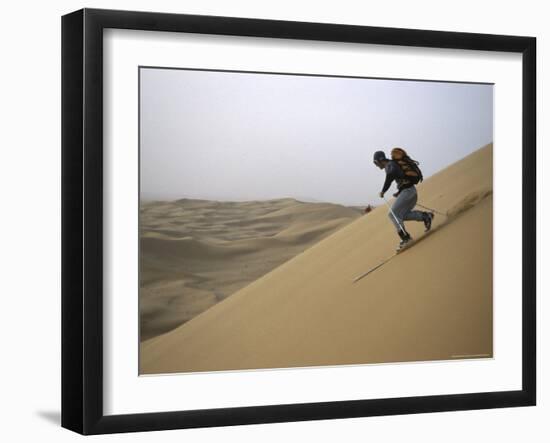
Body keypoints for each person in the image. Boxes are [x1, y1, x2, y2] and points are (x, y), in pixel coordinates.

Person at [373, 149, 433, 249]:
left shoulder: (389, 165)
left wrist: (383, 191)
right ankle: (425, 217)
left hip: (408, 192)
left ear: (379, 160)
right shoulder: (392, 165)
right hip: (409, 191)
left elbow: (390, 175)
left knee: (392, 214)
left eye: (375, 162)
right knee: (401, 215)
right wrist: (399, 192)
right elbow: (401, 178)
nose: (376, 165)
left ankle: (406, 238)